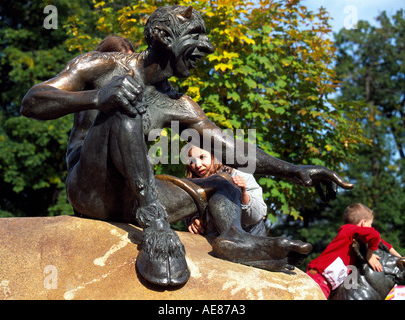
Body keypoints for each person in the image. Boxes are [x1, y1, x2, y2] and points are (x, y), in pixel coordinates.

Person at [21, 5, 353, 286]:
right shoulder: (101, 66)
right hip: (90, 188)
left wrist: (295, 171)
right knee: (126, 97)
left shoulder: (178, 103)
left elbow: (229, 147)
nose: (207, 48)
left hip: (134, 196)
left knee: (223, 181)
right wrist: (97, 97)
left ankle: (233, 237)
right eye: (196, 37)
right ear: (165, 37)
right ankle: (155, 226)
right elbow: (32, 101)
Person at [306, 203, 402, 299]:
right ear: (363, 223)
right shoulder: (348, 230)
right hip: (320, 278)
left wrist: (400, 257)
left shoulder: (353, 235)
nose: (371, 227)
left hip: (325, 281)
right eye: (370, 224)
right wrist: (370, 256)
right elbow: (375, 235)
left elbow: (383, 243)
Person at [185, 145, 267, 236]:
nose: (197, 165)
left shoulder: (238, 174)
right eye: (192, 161)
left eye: (202, 157)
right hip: (216, 245)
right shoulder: (193, 185)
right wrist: (194, 219)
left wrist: (243, 193)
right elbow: (185, 210)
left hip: (251, 243)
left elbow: (255, 216)